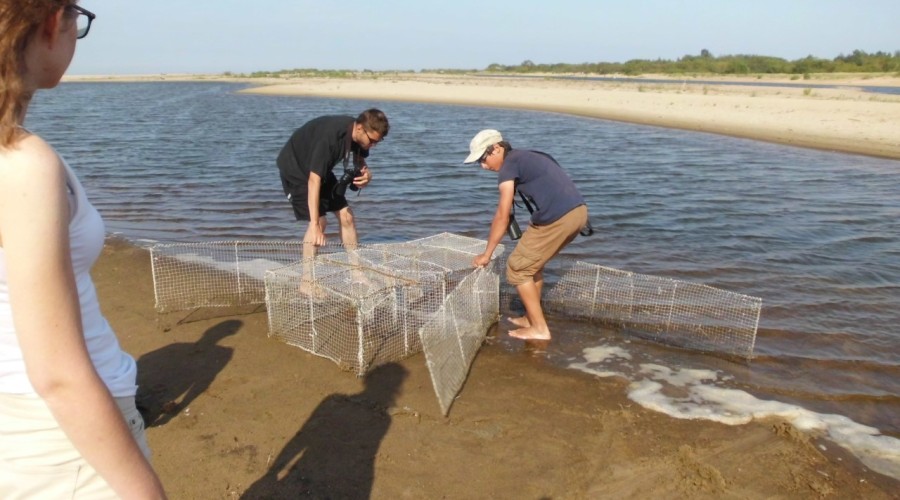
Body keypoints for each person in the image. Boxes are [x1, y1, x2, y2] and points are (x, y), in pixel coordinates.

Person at [0, 2, 167, 498]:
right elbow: (58, 375)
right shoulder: (22, 163)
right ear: (54, 22)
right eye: (78, 17)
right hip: (62, 435)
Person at [465, 129, 588, 341]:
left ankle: (539, 329)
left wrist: (486, 254)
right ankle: (531, 318)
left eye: (483, 159)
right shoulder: (527, 156)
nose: (483, 166)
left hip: (558, 217)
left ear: (497, 149)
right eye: (479, 163)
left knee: (517, 267)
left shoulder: (509, 166)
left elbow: (502, 214)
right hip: (578, 212)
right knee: (532, 265)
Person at [276, 109, 389, 258]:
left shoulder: (359, 135)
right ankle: (307, 272)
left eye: (378, 142)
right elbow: (313, 180)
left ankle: (356, 269)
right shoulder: (330, 140)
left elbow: (359, 159)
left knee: (347, 217)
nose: (374, 146)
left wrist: (367, 173)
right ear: (360, 128)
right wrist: (315, 225)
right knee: (320, 222)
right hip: (295, 169)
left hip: (319, 168)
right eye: (372, 141)